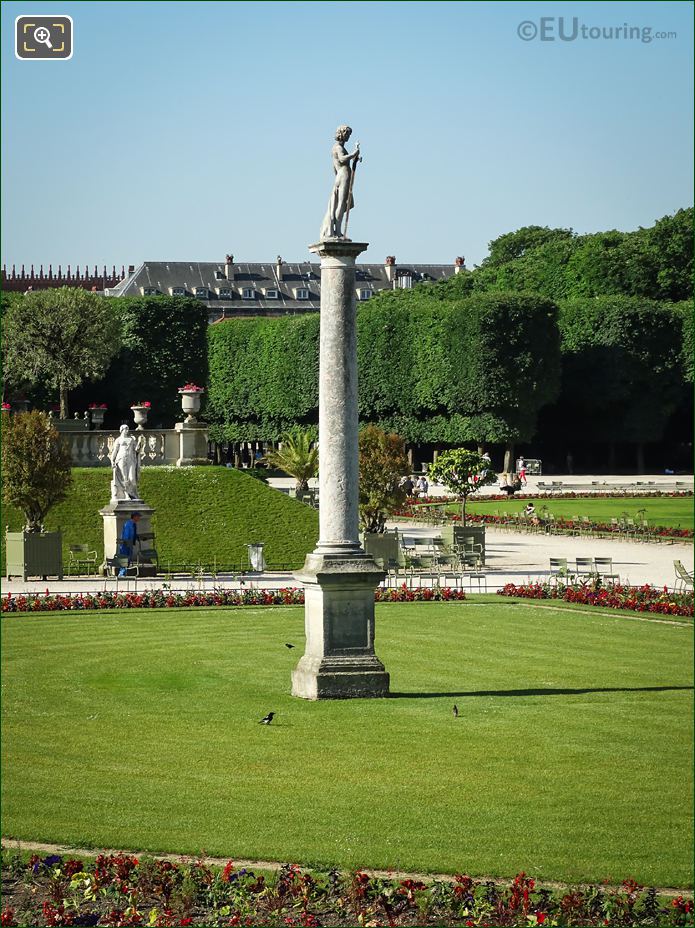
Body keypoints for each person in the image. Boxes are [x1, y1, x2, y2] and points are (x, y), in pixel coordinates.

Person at [320, 126, 361, 239]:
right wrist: (354, 153)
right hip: (344, 175)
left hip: (339, 175)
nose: (348, 136)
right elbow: (342, 159)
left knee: (341, 203)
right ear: (342, 134)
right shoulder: (338, 148)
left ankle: (337, 230)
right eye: (347, 134)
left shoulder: (335, 148)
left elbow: (334, 166)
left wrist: (354, 160)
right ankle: (337, 231)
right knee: (342, 204)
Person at [109, 424, 143, 500]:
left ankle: (132, 493)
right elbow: (115, 451)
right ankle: (126, 494)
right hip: (121, 459)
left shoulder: (131, 439)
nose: (127, 430)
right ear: (121, 430)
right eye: (125, 429)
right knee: (124, 478)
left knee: (132, 479)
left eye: (127, 429)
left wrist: (139, 445)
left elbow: (136, 449)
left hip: (130, 459)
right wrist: (112, 460)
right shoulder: (118, 440)